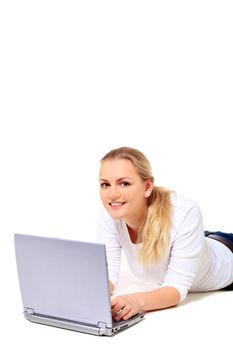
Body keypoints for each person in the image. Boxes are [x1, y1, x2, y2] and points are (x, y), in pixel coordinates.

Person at [97, 146, 233, 321]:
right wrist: (82, 289)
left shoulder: (185, 211)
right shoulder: (111, 214)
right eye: (105, 184)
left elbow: (176, 288)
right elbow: (108, 276)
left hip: (227, 255)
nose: (112, 194)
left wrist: (135, 301)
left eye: (124, 183)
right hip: (200, 242)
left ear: (147, 187)